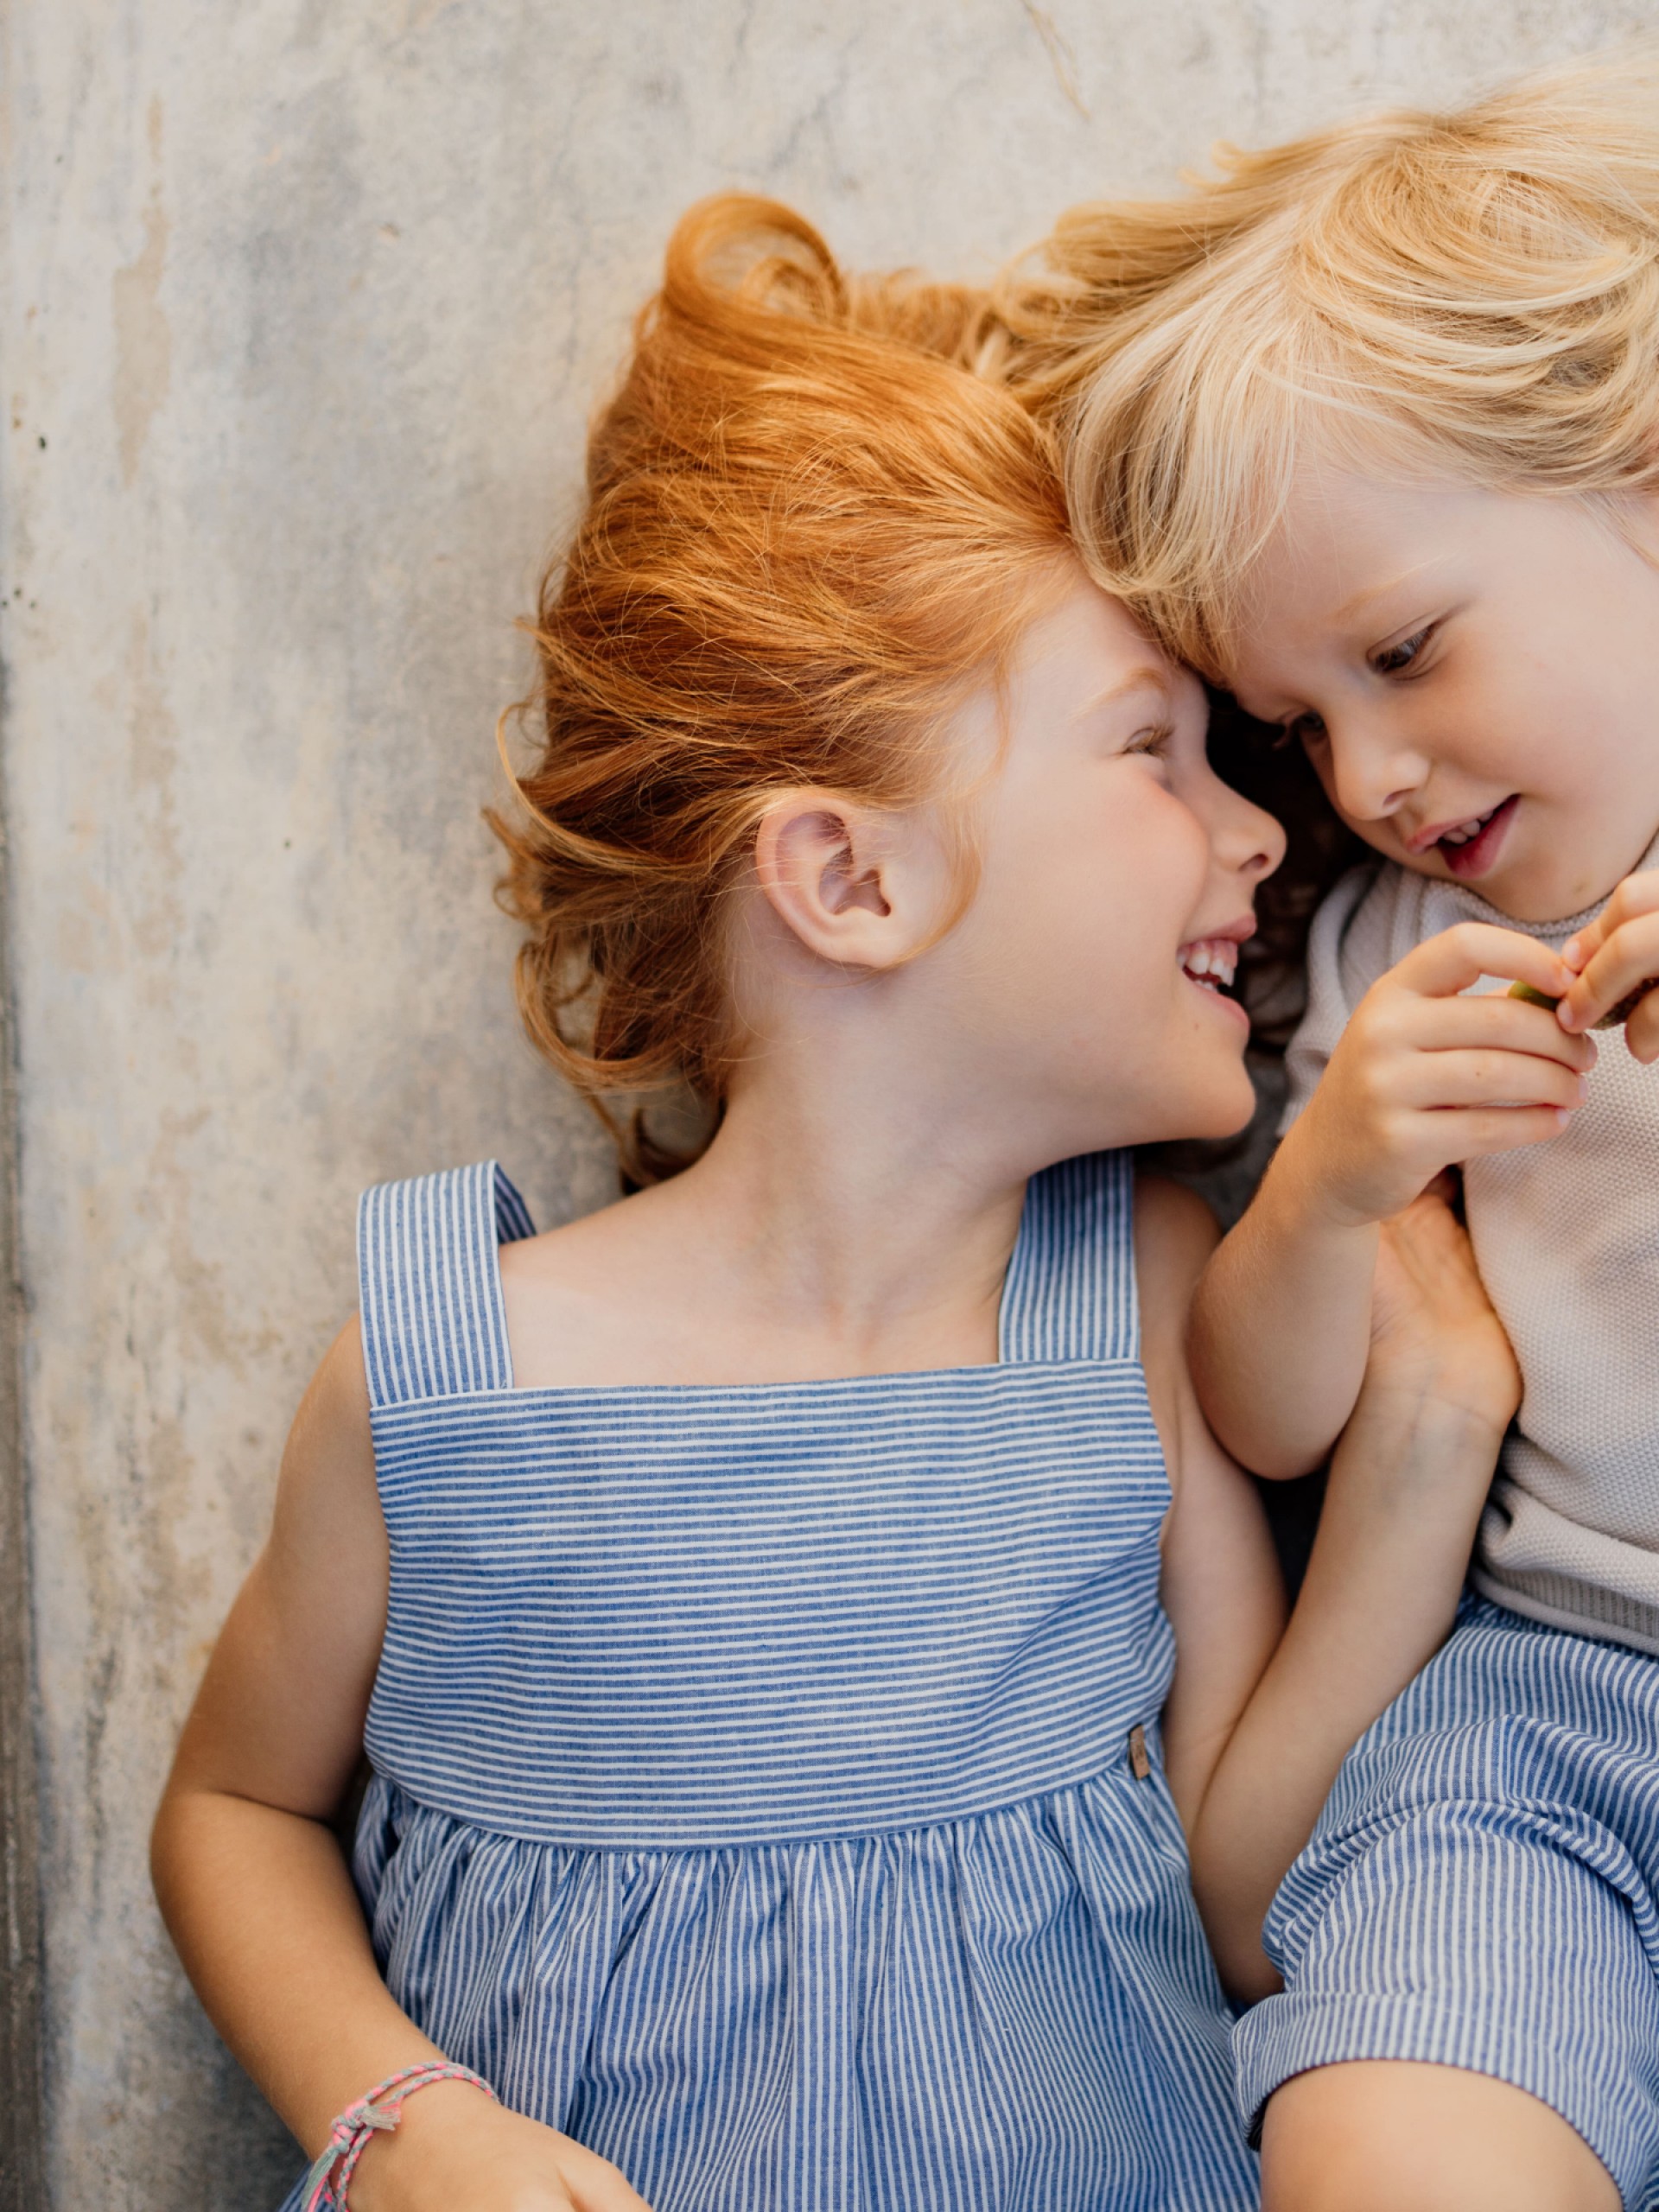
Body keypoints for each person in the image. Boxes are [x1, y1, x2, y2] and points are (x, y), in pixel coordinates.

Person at [151, 196, 1516, 2212]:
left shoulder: (1127, 1300)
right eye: (1159, 747)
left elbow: (1245, 1894)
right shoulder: (447, 1373)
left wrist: (1418, 1447)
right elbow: (237, 1802)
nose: (1259, 830)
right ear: (850, 881)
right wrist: (396, 2119)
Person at [996, 48, 1659, 2212]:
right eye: (1302, 719)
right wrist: (1332, 1183)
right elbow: (1271, 1417)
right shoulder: (1394, 949)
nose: (1368, 771)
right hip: (1557, 1713)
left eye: (1404, 649)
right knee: (1395, 2128)